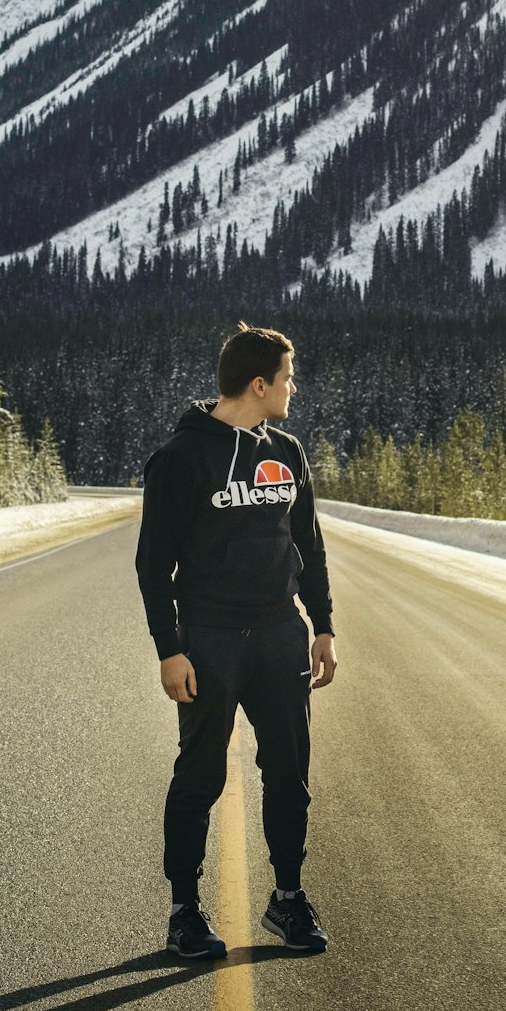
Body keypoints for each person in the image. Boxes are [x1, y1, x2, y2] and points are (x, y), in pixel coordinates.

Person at [136, 321, 337, 958]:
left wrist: (323, 626)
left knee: (289, 773)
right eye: (287, 376)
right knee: (200, 775)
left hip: (280, 636)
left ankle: (286, 899)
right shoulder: (181, 458)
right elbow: (152, 564)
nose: (293, 386)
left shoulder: (288, 450)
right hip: (211, 640)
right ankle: (184, 910)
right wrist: (170, 648)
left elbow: (309, 545)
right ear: (259, 383)